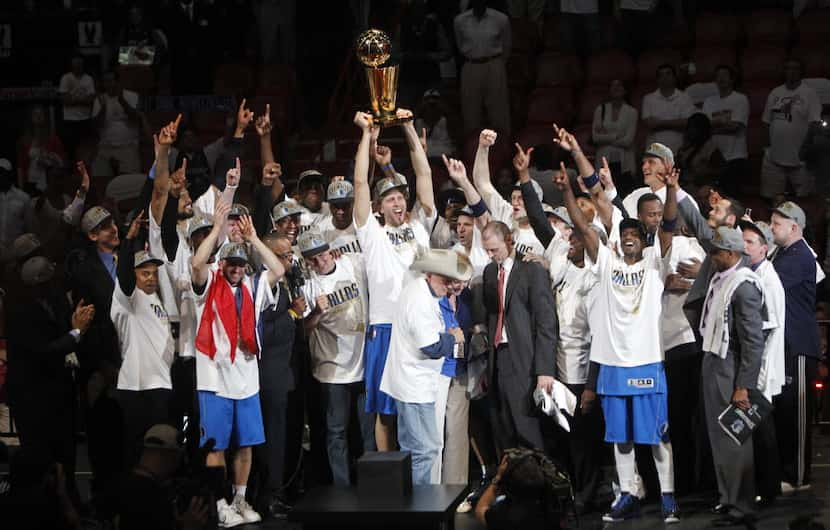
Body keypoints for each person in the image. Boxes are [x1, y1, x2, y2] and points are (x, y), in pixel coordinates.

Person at [554, 125, 680, 524]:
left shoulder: (654, 265)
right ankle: (627, 494)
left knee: (657, 435)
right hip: (611, 365)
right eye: (622, 233)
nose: (627, 238)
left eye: (633, 234)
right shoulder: (605, 261)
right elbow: (583, 227)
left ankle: (669, 497)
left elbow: (670, 228)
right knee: (620, 438)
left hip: (645, 362)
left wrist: (672, 193)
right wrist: (565, 193)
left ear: (642, 240)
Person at [191, 209, 285, 526]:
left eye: (239, 264)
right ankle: (218, 502)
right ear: (222, 264)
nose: (235, 269)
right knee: (216, 445)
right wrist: (219, 228)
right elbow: (195, 263)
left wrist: (254, 239)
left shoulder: (254, 287)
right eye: (230, 263)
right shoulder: (209, 285)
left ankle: (240, 499)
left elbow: (278, 269)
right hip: (215, 378)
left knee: (245, 446)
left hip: (246, 379)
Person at [351, 110, 437, 451]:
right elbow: (359, 183)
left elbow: (424, 172)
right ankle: (389, 485)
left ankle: (421, 478)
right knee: (385, 413)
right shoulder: (371, 233)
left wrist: (407, 128)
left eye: (401, 196)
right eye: (390, 198)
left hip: (421, 326)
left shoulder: (419, 227)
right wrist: (364, 135)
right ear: (379, 206)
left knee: (419, 407)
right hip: (386, 327)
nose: (399, 201)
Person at [6, 256, 94, 509]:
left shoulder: (55, 300)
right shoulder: (19, 312)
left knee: (66, 453)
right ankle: (40, 508)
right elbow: (43, 351)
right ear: (38, 284)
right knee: (39, 458)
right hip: (32, 398)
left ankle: (70, 502)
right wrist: (76, 332)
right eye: (48, 279)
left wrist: (74, 321)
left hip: (60, 395)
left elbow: (62, 332)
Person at [380, 249, 472, 485]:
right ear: (430, 274)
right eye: (445, 280)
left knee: (414, 449)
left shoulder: (424, 293)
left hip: (414, 383)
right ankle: (421, 510)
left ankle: (412, 508)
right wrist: (453, 338)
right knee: (425, 451)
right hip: (415, 386)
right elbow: (431, 347)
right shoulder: (420, 299)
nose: (450, 286)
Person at [697, 226, 766, 526]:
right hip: (713, 360)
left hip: (731, 367)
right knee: (718, 436)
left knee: (734, 437)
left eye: (716, 251)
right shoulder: (721, 278)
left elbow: (753, 341)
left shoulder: (744, 286)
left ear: (730, 253)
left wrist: (743, 386)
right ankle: (728, 498)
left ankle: (742, 506)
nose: (711, 256)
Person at [298, 230, 375, 486]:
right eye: (314, 259)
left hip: (362, 361)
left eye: (323, 254)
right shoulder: (308, 286)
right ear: (308, 261)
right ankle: (341, 487)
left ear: (330, 251)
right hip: (331, 368)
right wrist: (317, 312)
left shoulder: (351, 263)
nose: (321, 262)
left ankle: (371, 484)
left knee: (367, 432)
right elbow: (304, 329)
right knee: (336, 432)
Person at [476, 220, 557, 452]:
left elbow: (546, 322)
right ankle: (513, 482)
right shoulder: (490, 272)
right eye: (487, 251)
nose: (491, 256)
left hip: (524, 358)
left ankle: (538, 482)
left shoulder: (531, 270)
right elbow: (493, 316)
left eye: (495, 250)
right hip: (498, 357)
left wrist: (544, 370)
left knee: (527, 426)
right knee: (504, 427)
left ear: (509, 241)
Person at [65, 205, 125, 499]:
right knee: (103, 439)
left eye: (112, 223)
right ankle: (104, 504)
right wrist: (104, 367)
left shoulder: (126, 258)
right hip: (102, 368)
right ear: (91, 235)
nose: (113, 228)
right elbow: (86, 324)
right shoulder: (83, 272)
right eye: (104, 226)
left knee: (127, 440)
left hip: (131, 361)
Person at [112, 211, 175, 467]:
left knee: (160, 454)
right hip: (137, 387)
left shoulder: (155, 298)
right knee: (137, 453)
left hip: (160, 384)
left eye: (153, 273)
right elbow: (125, 275)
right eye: (144, 273)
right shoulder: (127, 299)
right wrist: (129, 240)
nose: (151, 278)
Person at [769, 201, 821, 492]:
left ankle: (798, 475)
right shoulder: (783, 254)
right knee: (786, 413)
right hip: (786, 345)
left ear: (794, 227)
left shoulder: (799, 256)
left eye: (777, 223)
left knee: (797, 414)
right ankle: (787, 471)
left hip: (798, 345)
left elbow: (769, 284)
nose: (772, 227)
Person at [740, 219, 786, 504]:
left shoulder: (768, 279)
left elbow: (769, 327)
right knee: (756, 428)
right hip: (756, 365)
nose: (745, 246)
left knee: (762, 429)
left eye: (751, 242)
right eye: (742, 240)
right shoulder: (752, 273)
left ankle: (768, 490)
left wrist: (755, 368)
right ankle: (762, 486)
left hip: (762, 365)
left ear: (765, 249)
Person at [114, 424, 209, 530]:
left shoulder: (116, 486)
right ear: (170, 456)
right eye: (178, 459)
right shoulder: (156, 502)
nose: (177, 466)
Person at [473, 130, 545, 256]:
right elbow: (482, 183)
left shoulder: (547, 232)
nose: (515, 202)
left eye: (521, 198)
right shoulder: (506, 213)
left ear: (535, 203)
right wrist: (483, 147)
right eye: (513, 198)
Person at [761, 58, 822, 201]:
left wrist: (806, 148)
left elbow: (814, 124)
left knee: (805, 200)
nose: (791, 72)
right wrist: (767, 147)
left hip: (800, 158)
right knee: (771, 199)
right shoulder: (775, 92)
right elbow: (766, 121)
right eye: (788, 68)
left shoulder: (809, 93)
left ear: (801, 72)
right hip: (774, 156)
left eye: (795, 69)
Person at [453, 0, 511, 135]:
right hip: (471, 65)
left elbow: (507, 45)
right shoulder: (460, 21)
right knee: (470, 110)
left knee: (498, 110)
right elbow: (459, 43)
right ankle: (472, 146)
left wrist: (498, 64)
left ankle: (503, 144)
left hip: (494, 64)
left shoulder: (501, 19)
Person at [702, 65, 749, 198]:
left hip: (735, 156)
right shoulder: (709, 101)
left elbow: (735, 127)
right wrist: (723, 124)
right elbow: (704, 128)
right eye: (718, 76)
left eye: (724, 75)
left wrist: (714, 125)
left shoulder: (740, 99)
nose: (721, 79)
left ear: (732, 79)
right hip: (714, 157)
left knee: (732, 199)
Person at [622, 143, 700, 221]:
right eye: (644, 162)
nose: (644, 167)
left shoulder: (682, 201)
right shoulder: (636, 195)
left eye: (651, 162)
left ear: (668, 167)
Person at [91, 70, 143, 177]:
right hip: (105, 147)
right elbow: (96, 125)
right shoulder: (99, 99)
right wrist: (103, 107)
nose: (108, 84)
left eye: (111, 81)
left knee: (130, 180)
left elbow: (136, 119)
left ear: (118, 82)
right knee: (99, 178)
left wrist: (122, 100)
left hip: (128, 146)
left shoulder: (132, 96)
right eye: (105, 81)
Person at [592, 79, 639, 195]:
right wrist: (617, 136)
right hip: (604, 161)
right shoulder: (601, 110)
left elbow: (628, 141)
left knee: (624, 195)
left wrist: (606, 136)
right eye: (613, 86)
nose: (616, 88)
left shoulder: (631, 112)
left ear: (625, 90)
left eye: (619, 86)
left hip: (624, 164)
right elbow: (596, 138)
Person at [641, 64, 696, 155]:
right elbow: (650, 124)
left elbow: (687, 123)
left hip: (679, 151)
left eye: (668, 74)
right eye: (661, 75)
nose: (665, 77)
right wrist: (675, 123)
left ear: (674, 77)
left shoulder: (684, 97)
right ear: (657, 79)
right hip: (654, 153)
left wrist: (660, 123)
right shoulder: (648, 99)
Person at [16, 105, 66, 193]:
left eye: (41, 114)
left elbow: (62, 162)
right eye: (35, 114)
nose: (38, 116)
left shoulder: (53, 139)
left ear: (45, 117)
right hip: (31, 183)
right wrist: (21, 189)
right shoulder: (24, 140)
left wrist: (49, 161)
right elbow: (20, 167)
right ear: (31, 117)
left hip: (50, 183)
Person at [57, 53, 96, 160]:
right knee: (70, 151)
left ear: (83, 64)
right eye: (75, 62)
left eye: (79, 62)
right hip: (69, 120)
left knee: (86, 151)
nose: (77, 65)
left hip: (85, 119)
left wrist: (72, 99)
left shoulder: (89, 79)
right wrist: (83, 100)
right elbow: (64, 100)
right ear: (72, 64)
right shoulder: (66, 78)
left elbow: (91, 100)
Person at [675, 113, 726, 189]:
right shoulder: (685, 148)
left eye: (695, 127)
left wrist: (704, 175)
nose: (691, 130)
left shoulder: (711, 149)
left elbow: (721, 172)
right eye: (690, 127)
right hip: (684, 187)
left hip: (703, 190)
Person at [0, 158, 36, 263]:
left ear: (9, 174)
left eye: (2, 173)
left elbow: (30, 228)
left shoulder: (23, 198)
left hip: (16, 254)